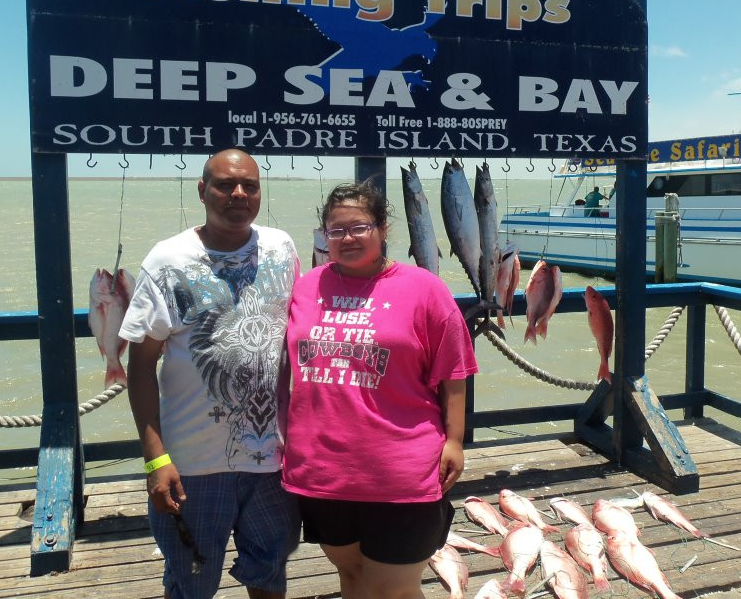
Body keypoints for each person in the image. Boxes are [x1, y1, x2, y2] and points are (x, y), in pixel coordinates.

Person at [281, 182, 479, 599]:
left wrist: (456, 440)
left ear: (384, 228)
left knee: (394, 591)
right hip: (322, 469)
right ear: (324, 236)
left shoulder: (424, 287)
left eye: (360, 227)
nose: (347, 238)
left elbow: (454, 371)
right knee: (352, 577)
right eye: (336, 231)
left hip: (401, 468)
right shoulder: (306, 286)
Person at [120, 149, 301, 599]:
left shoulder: (282, 246)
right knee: (191, 582)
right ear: (202, 191)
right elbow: (140, 367)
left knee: (270, 573)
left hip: (273, 462)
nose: (238, 194)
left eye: (250, 186)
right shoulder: (167, 261)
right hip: (192, 468)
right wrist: (156, 459)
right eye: (225, 185)